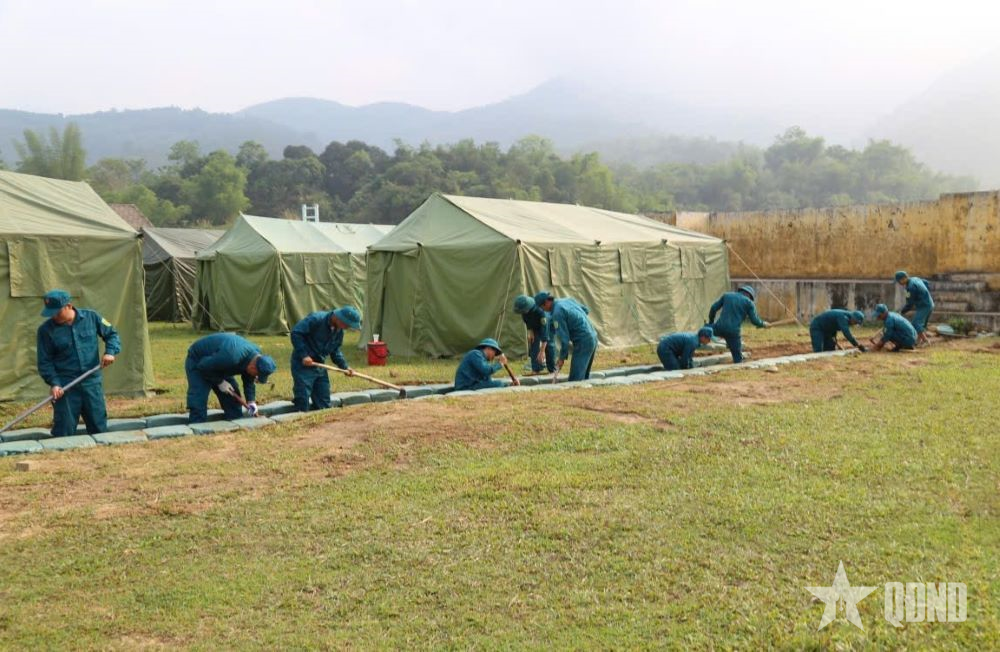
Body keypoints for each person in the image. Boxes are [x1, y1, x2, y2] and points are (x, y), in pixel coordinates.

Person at [36, 289, 120, 437]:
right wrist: (54, 383)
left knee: (99, 429)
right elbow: (45, 362)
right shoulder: (45, 330)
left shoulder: (91, 317)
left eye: (57, 312)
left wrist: (110, 352)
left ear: (68, 306)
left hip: (91, 383)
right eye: (51, 313)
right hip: (66, 387)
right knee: (63, 432)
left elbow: (112, 334)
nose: (54, 316)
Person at [185, 333, 277, 423]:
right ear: (253, 367)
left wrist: (251, 401)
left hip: (219, 363)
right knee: (198, 400)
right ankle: (196, 427)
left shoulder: (255, 357)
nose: (256, 377)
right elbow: (203, 366)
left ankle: (235, 422)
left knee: (233, 399)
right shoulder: (231, 357)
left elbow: (249, 379)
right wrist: (220, 382)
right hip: (198, 360)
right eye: (257, 375)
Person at [290, 306, 361, 412]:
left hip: (319, 365)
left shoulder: (338, 332)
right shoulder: (316, 319)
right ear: (339, 318)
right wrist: (304, 355)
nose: (347, 327)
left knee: (323, 402)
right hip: (303, 365)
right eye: (347, 324)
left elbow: (335, 351)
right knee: (302, 398)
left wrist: (345, 367)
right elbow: (296, 333)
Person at [535, 291, 598, 381]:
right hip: (593, 335)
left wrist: (561, 358)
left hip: (583, 341)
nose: (543, 310)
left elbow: (565, 340)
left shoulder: (557, 313)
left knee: (575, 380)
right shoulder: (567, 300)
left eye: (542, 307)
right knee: (584, 376)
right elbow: (585, 310)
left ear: (546, 303)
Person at [707, 285, 770, 363]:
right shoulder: (749, 303)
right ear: (750, 296)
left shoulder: (727, 295)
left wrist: (711, 323)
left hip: (719, 328)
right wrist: (763, 324)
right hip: (733, 332)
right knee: (737, 358)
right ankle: (737, 358)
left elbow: (713, 308)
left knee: (705, 330)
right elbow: (754, 320)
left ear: (740, 291)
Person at [512, 294, 555, 374]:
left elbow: (545, 334)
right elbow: (527, 320)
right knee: (534, 344)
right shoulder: (525, 311)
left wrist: (542, 351)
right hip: (535, 327)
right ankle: (536, 369)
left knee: (549, 346)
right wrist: (530, 331)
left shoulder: (541, 312)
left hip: (547, 326)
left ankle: (552, 369)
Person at [454, 338, 519, 391]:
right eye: (494, 352)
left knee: (498, 383)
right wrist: (500, 363)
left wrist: (509, 385)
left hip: (471, 385)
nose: (494, 356)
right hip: (465, 387)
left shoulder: (481, 358)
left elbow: (487, 380)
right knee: (499, 383)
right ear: (489, 348)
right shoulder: (475, 354)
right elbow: (486, 370)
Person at [895, 270, 934, 347]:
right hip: (929, 303)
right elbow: (926, 283)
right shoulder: (915, 279)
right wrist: (925, 294)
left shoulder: (910, 287)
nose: (899, 283)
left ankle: (926, 341)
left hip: (924, 306)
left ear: (904, 279)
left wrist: (901, 312)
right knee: (921, 325)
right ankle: (919, 341)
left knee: (916, 323)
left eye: (899, 281)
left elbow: (910, 304)